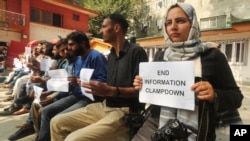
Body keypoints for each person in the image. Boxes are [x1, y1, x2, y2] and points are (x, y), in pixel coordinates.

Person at [132, 3, 243, 141]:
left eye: (180, 21)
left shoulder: (212, 56)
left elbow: (236, 97)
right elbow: (157, 95)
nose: (173, 27)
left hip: (195, 130)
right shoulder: (160, 56)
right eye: (168, 23)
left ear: (193, 24)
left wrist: (214, 94)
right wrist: (143, 86)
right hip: (156, 122)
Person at [50, 13, 148, 141]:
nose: (100, 30)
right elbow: (106, 85)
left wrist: (111, 91)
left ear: (116, 28)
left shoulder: (136, 52)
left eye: (104, 26)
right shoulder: (111, 55)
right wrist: (87, 84)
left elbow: (142, 92)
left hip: (125, 111)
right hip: (104, 105)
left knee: (73, 139)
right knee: (56, 122)